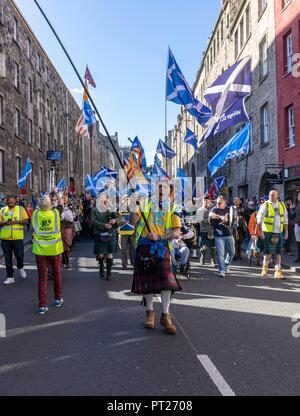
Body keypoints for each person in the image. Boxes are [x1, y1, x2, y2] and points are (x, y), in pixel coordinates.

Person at [131, 180, 182, 335]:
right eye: (159, 187)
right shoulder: (145, 203)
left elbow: (176, 232)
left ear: (169, 190)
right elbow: (133, 222)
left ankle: (165, 315)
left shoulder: (173, 208)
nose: (161, 190)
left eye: (164, 187)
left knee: (167, 283)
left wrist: (159, 237)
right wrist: (134, 206)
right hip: (144, 246)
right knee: (147, 281)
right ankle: (150, 312)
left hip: (161, 247)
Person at [32, 196, 64, 315]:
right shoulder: (55, 213)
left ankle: (42, 305)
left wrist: (43, 199)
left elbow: (37, 206)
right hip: (54, 249)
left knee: (42, 277)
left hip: (40, 250)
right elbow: (61, 204)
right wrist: (57, 194)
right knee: (56, 274)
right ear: (50, 204)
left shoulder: (35, 214)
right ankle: (58, 298)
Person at [256, 190, 288, 279]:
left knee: (278, 252)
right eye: (270, 194)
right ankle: (264, 268)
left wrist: (286, 232)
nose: (271, 196)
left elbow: (285, 219)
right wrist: (260, 231)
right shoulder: (265, 205)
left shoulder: (281, 205)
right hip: (268, 232)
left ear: (277, 196)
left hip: (278, 232)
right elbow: (259, 218)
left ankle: (277, 271)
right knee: (268, 253)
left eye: (273, 195)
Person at [91, 193, 122, 280]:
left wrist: (115, 220)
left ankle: (109, 273)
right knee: (100, 254)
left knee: (109, 253)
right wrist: (104, 225)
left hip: (110, 233)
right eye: (102, 198)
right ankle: (101, 266)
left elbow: (120, 217)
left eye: (105, 197)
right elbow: (93, 221)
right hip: (99, 233)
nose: (104, 199)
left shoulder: (111, 208)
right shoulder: (94, 209)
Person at [0, 196, 29, 285]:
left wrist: (16, 222)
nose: (10, 204)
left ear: (15, 201)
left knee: (19, 255)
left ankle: (20, 267)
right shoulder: (2, 210)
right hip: (5, 238)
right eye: (8, 202)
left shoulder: (21, 209)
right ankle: (10, 276)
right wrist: (5, 223)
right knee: (7, 258)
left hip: (17, 238)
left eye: (12, 202)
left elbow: (26, 221)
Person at [209, 195, 235, 278]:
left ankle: (226, 265)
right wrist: (221, 217)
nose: (217, 204)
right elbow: (211, 214)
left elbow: (233, 219)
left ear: (224, 202)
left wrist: (234, 220)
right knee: (220, 253)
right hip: (218, 235)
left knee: (231, 252)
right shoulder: (215, 209)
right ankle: (222, 270)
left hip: (229, 234)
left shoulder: (229, 209)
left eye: (219, 203)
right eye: (216, 202)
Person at [195, 195, 216, 267]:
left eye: (208, 200)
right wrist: (210, 219)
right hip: (204, 230)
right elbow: (199, 220)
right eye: (206, 201)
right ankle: (202, 257)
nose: (207, 202)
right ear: (203, 201)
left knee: (214, 246)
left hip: (212, 230)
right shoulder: (200, 210)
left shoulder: (213, 209)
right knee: (205, 247)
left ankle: (213, 261)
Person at [248, 201, 264, 267]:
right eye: (260, 204)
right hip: (257, 234)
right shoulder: (254, 214)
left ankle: (267, 262)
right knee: (257, 249)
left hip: (266, 234)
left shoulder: (268, 213)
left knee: (266, 249)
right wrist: (252, 234)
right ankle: (257, 261)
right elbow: (251, 225)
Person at [60, 194, 74, 269]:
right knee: (63, 247)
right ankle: (64, 261)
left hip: (66, 228)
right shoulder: (57, 208)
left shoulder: (68, 209)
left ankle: (66, 261)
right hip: (60, 229)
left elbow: (71, 218)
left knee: (66, 246)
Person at [291, 194, 300, 262]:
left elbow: (292, 215)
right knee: (298, 242)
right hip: (298, 225)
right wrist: (292, 208)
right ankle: (299, 257)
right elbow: (292, 215)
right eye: (298, 195)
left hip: (298, 225)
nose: (298, 196)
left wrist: (292, 209)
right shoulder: (298, 206)